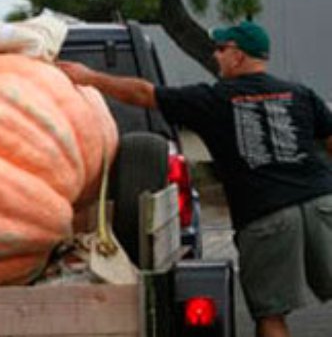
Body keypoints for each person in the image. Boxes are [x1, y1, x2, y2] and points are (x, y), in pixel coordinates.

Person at [57, 21, 332, 337]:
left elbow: (143, 93)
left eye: (220, 49)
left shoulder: (213, 100)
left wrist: (90, 78)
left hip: (267, 217)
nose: (215, 56)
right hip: (322, 204)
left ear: (237, 56)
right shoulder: (300, 94)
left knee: (271, 315)